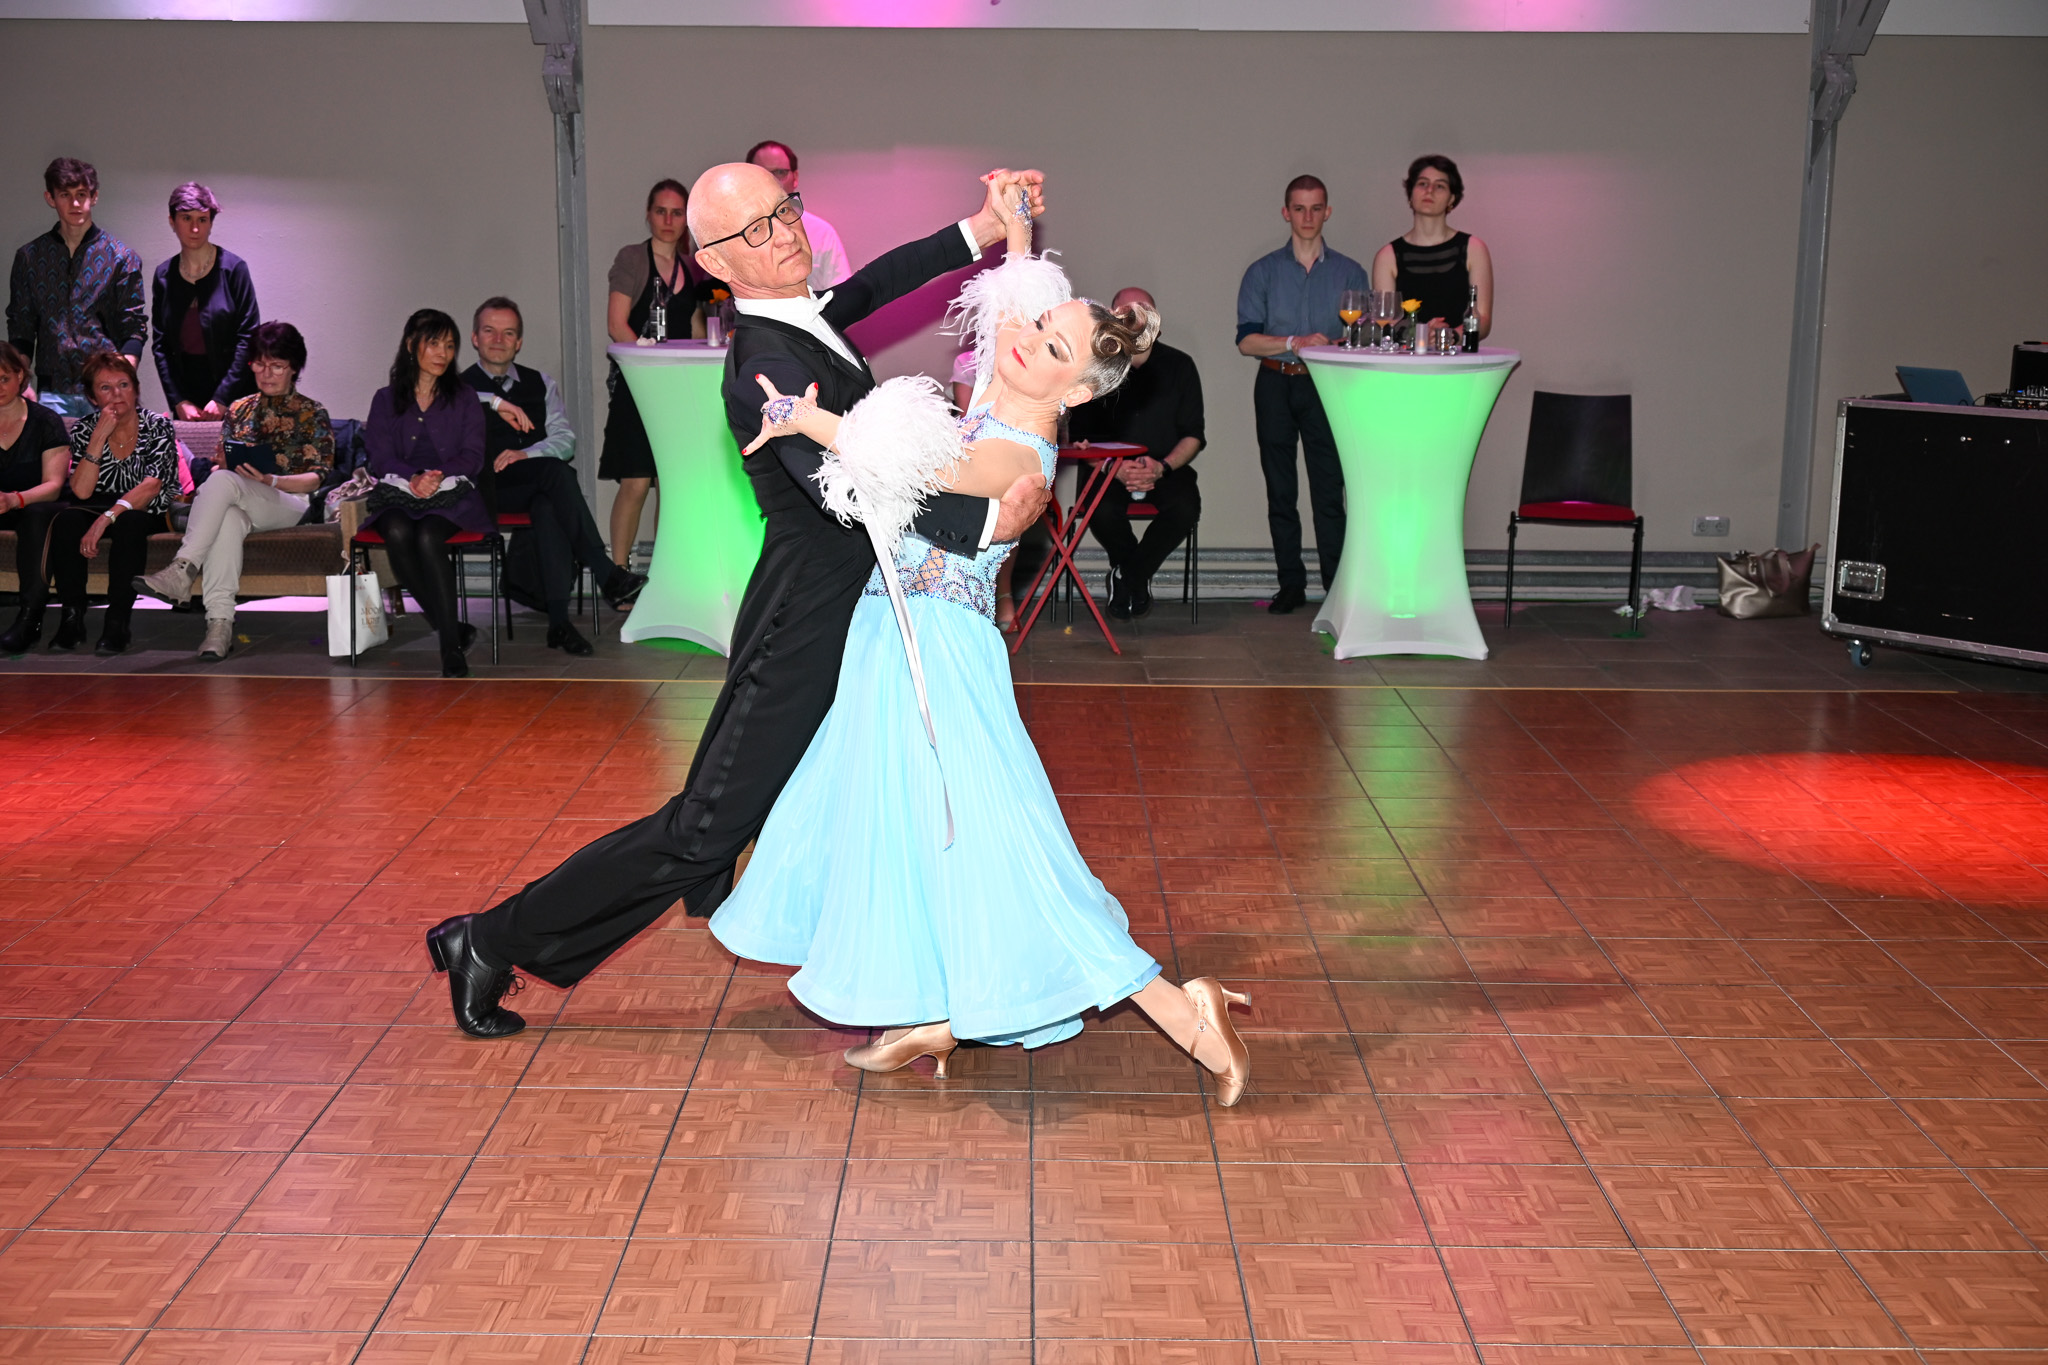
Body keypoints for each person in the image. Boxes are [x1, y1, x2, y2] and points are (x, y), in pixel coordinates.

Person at [425, 161, 1050, 1039]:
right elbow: (851, 486)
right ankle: (488, 939)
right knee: (701, 832)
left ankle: (924, 974)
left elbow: (879, 280)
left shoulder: (801, 316)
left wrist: (979, 230)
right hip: (804, 626)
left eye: (785, 211)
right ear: (715, 262)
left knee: (870, 791)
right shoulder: (764, 364)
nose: (785, 233)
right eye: (756, 229)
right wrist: (984, 520)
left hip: (850, 610)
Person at [709, 240, 1251, 1102]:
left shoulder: (1022, 455)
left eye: (1054, 346)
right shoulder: (999, 397)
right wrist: (1009, 226)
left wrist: (803, 419)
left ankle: (1187, 1013)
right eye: (1035, 325)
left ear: (1076, 392)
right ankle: (934, 1010)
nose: (1027, 340)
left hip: (942, 658)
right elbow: (1008, 299)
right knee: (908, 829)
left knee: (1002, 845)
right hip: (890, 641)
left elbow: (909, 466)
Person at [133, 322, 332, 660]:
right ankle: (219, 626)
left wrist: (270, 480)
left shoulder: (312, 413)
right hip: (242, 497)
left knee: (223, 484)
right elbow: (222, 469)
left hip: (290, 501)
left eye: (276, 366)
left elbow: (316, 478)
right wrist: (223, 465)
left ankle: (183, 568)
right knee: (227, 516)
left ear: (294, 368)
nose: (266, 374)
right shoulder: (239, 409)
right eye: (259, 364)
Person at [461, 295, 647, 656]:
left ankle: (559, 624)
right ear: (474, 338)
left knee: (549, 500)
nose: (498, 340)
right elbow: (454, 402)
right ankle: (605, 571)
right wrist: (495, 403)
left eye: (508, 333)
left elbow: (564, 441)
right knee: (556, 473)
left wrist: (525, 454)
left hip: (533, 483)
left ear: (519, 342)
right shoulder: (457, 389)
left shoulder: (540, 383)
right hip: (486, 491)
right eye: (489, 331)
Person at [1235, 174, 1366, 615]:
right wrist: (1295, 342)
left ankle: (1337, 586)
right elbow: (1246, 342)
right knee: (1281, 491)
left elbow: (1362, 339)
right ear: (1286, 213)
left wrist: (1331, 346)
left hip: (1326, 386)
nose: (1307, 216)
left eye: (1316, 208)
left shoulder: (1350, 273)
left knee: (1329, 491)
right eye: (1299, 208)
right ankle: (1290, 584)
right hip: (1274, 382)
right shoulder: (1263, 272)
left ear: (1327, 212)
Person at [364, 309, 489, 679]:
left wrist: (437, 475)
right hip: (400, 489)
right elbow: (380, 456)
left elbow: (473, 456)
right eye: (434, 343)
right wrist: (413, 477)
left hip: (450, 490)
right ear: (410, 345)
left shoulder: (463, 397)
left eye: (449, 346)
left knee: (430, 536)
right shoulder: (386, 399)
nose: (443, 353)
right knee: (397, 530)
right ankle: (452, 628)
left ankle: (450, 647)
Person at [1073, 286, 1205, 621]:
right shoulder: (1095, 369)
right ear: (1110, 319)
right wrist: (1113, 469)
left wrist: (1162, 467)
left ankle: (1128, 576)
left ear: (1157, 322)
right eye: (1126, 310)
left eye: (1144, 309)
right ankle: (1136, 577)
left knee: (1185, 507)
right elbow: (1079, 439)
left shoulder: (1180, 366)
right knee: (1101, 509)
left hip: (1164, 467)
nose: (1135, 317)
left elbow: (1193, 435)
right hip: (1106, 469)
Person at [40, 353, 175, 655]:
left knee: (129, 523)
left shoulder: (158, 426)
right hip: (95, 504)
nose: (116, 394)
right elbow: (82, 492)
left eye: (124, 385)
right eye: (105, 388)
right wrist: (98, 437)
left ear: (136, 389)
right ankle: (72, 618)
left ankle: (117, 622)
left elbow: (152, 485)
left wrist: (106, 519)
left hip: (143, 508)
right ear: (92, 397)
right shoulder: (84, 428)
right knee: (66, 521)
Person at [601, 179, 702, 572]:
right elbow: (616, 325)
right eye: (661, 211)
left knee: (670, 487)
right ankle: (619, 574)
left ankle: (663, 574)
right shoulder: (632, 258)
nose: (669, 220)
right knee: (636, 482)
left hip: (677, 390)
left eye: (677, 213)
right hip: (639, 387)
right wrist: (650, 370)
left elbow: (696, 331)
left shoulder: (692, 267)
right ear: (648, 214)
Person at [6, 159, 145, 419]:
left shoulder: (121, 257)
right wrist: (20, 379)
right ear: (50, 198)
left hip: (106, 389)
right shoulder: (30, 258)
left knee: (109, 447)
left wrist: (123, 380)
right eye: (65, 195)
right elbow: (21, 325)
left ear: (94, 197)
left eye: (82, 194)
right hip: (52, 389)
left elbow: (134, 327)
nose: (75, 203)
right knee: (55, 447)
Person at [149, 183, 260, 420]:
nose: (195, 228)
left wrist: (222, 398)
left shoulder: (234, 269)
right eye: (186, 218)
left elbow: (248, 337)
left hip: (235, 391)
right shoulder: (163, 276)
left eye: (202, 219)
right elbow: (161, 346)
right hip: (187, 396)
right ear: (172, 221)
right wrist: (178, 400)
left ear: (211, 223)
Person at [0, 342, 74, 653]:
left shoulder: (45, 421)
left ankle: (30, 618)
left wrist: (12, 500)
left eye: (4, 378)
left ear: (20, 376)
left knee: (36, 517)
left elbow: (53, 485)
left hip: (38, 503)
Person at [1372, 154, 1493, 337]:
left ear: (1451, 199)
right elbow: (1385, 322)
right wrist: (1420, 335)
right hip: (1407, 352)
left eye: (1440, 186)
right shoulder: (1387, 256)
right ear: (1410, 194)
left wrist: (1449, 336)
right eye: (1422, 184)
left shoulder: (1474, 249)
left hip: (1457, 351)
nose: (1429, 191)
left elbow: (1482, 319)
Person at [746, 140, 853, 291]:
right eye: (763, 173)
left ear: (795, 177)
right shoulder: (736, 232)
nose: (772, 180)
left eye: (780, 173)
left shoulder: (822, 233)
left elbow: (841, 293)